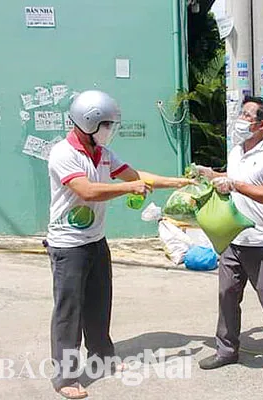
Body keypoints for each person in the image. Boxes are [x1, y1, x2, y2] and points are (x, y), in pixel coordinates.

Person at [46, 90, 194, 399]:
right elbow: (86, 191)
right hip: (68, 246)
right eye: (107, 125)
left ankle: (101, 358)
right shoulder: (63, 153)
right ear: (89, 122)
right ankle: (65, 377)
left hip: (96, 241)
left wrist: (178, 182)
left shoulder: (102, 152)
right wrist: (128, 187)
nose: (110, 131)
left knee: (99, 305)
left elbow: (136, 175)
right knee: (69, 312)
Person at [195, 96, 263, 378]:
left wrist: (236, 185)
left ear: (262, 125)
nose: (240, 120)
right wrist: (211, 176)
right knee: (227, 294)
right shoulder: (236, 151)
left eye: (246, 115)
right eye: (241, 114)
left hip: (261, 241)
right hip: (233, 239)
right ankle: (226, 350)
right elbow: (232, 182)